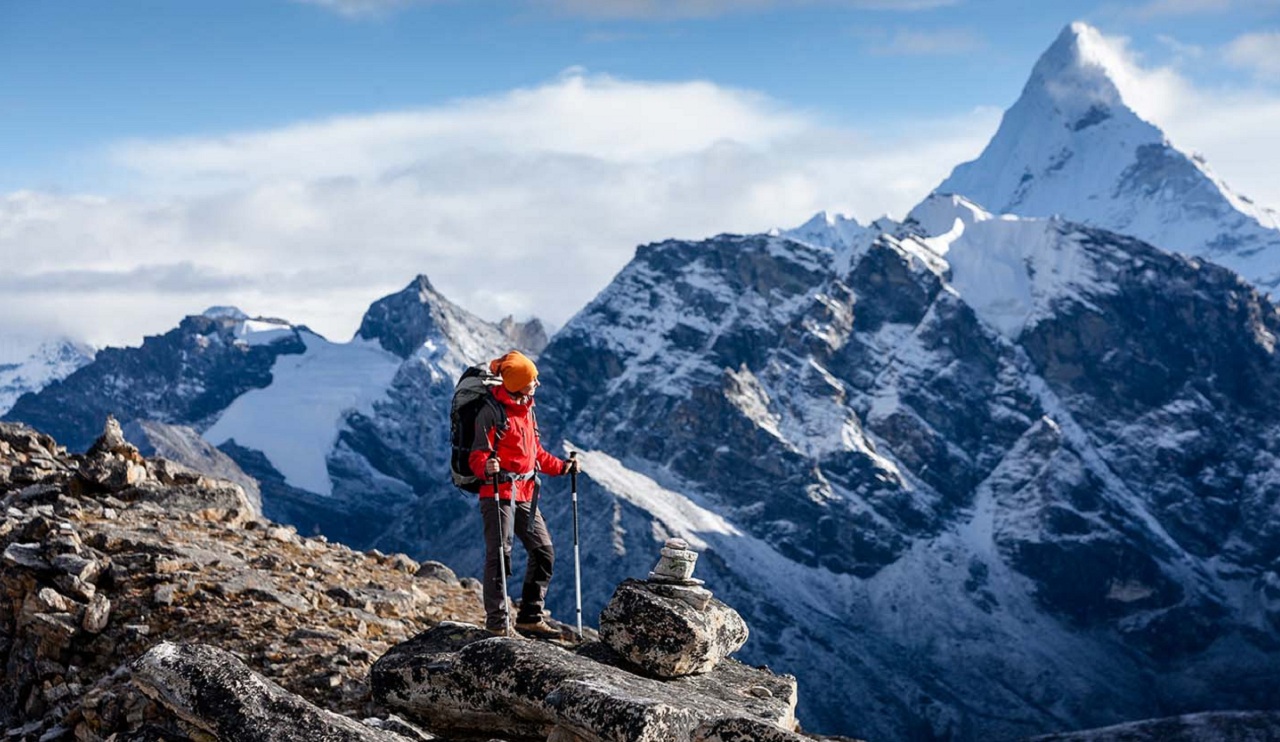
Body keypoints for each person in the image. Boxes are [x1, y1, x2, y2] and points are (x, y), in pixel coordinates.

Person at [469, 350, 580, 636]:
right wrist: (487, 466)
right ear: (517, 384)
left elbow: (536, 455)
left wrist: (562, 467)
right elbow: (476, 456)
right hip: (498, 492)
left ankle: (530, 617)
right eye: (532, 380)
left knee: (544, 553)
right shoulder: (491, 413)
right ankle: (497, 623)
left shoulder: (527, 408)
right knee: (500, 556)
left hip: (526, 494)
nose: (537, 385)